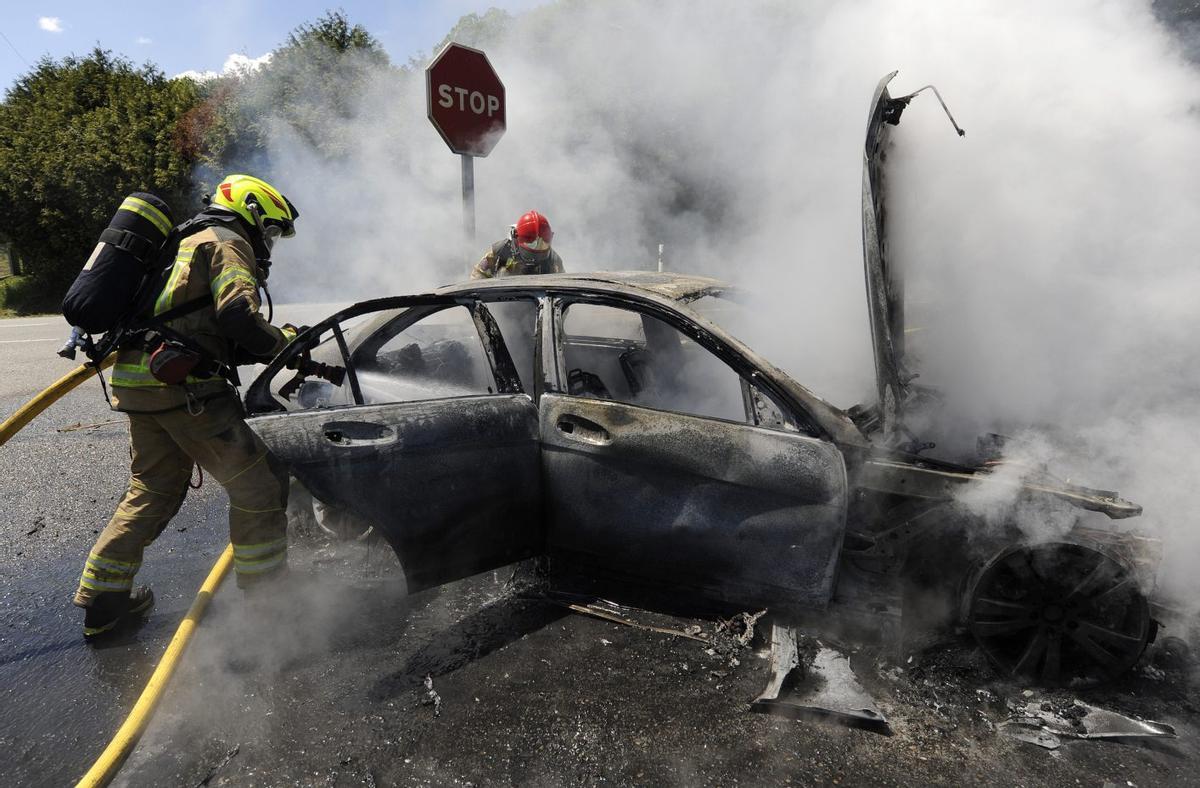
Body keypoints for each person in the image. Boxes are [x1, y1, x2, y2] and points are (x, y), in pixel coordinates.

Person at [73, 174, 300, 640]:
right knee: (260, 487)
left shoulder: (180, 241)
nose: (270, 243)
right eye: (272, 231)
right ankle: (270, 604)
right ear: (253, 211)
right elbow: (239, 315)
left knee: (151, 490)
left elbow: (199, 322)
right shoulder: (226, 241)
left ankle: (103, 602)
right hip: (189, 392)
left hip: (140, 385)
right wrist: (286, 342)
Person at [470, 210, 564, 279]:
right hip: (502, 301)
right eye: (532, 244)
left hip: (539, 303)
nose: (539, 248)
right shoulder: (500, 251)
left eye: (543, 244)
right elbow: (478, 275)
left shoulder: (553, 260)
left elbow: (562, 288)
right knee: (503, 273)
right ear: (516, 240)